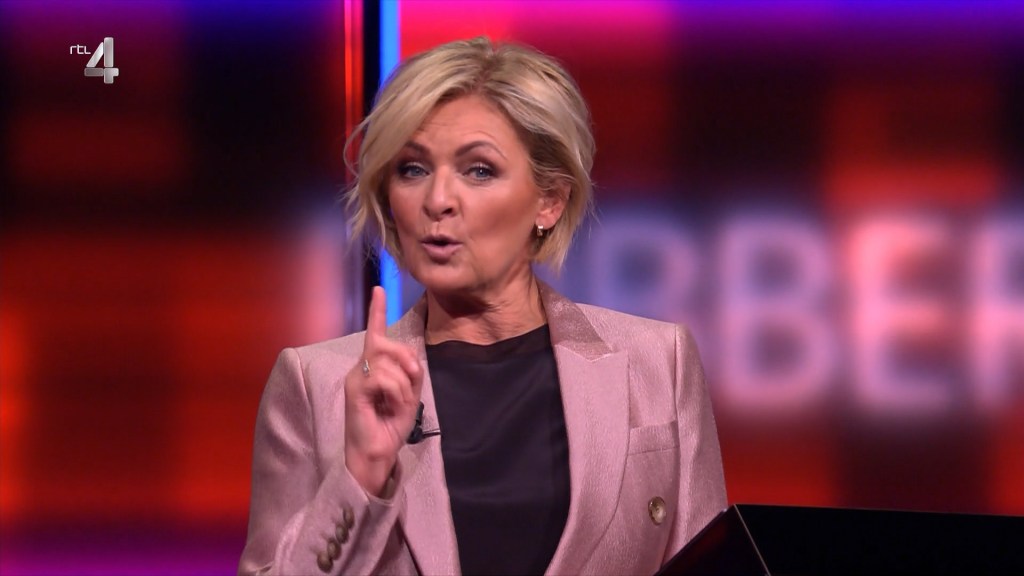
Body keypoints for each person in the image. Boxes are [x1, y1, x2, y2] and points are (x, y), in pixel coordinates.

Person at [238, 36, 726, 576]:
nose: (437, 200)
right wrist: (360, 476)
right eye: (412, 169)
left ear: (550, 199)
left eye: (478, 170)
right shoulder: (317, 385)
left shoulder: (660, 362)